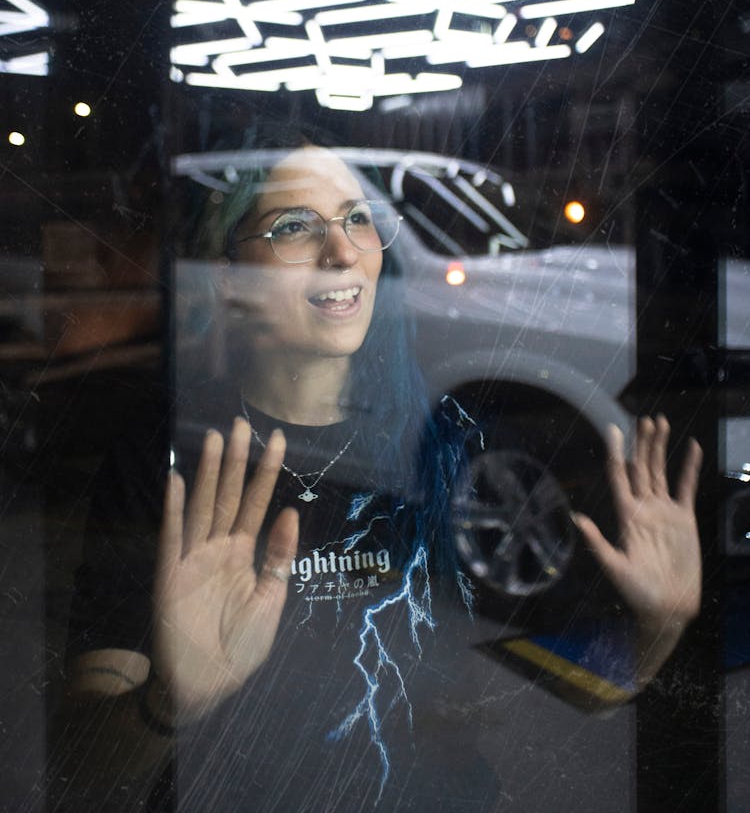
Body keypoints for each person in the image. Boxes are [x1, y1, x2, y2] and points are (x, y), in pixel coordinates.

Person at [52, 130, 703, 811]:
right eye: (295, 228)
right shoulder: (168, 459)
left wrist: (659, 625)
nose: (342, 253)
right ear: (229, 275)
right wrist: (167, 705)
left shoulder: (453, 445)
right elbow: (84, 775)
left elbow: (577, 691)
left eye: (357, 219)